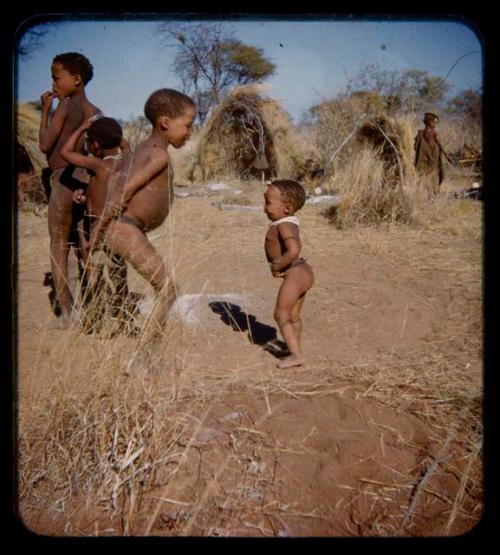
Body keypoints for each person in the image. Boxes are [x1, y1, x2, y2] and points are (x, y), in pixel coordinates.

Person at [93, 88, 197, 338]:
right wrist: (97, 233)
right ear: (165, 123)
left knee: (129, 286)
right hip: (124, 229)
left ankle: (126, 336)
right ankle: (147, 354)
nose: (190, 132)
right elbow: (121, 193)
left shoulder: (139, 150)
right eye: (188, 125)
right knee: (168, 289)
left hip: (122, 229)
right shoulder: (158, 155)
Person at [39, 52, 102, 328]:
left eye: (56, 77)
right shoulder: (94, 111)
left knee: (59, 245)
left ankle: (66, 313)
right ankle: (94, 304)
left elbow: (44, 145)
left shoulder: (64, 106)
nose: (53, 82)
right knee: (84, 244)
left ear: (76, 79)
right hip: (85, 179)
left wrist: (45, 110)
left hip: (63, 179)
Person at [60, 116, 130, 329]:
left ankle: (96, 320)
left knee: (94, 277)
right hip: (122, 231)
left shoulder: (97, 165)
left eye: (89, 142)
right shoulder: (126, 164)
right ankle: (121, 316)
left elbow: (66, 153)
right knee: (119, 274)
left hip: (98, 233)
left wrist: (81, 128)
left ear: (95, 145)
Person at [263, 180, 314, 368]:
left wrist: (277, 265)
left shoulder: (284, 226)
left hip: (296, 273)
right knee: (293, 315)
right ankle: (294, 348)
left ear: (287, 208)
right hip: (302, 272)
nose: (264, 208)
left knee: (280, 315)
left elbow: (293, 250)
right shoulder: (286, 223)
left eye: (268, 203)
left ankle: (296, 355)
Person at [414, 112, 452, 196]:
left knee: (424, 176)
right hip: (433, 160)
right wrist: (447, 155)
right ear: (429, 122)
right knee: (434, 177)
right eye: (435, 122)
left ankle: (425, 194)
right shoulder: (434, 133)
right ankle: (433, 195)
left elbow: (415, 148)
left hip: (424, 160)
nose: (436, 124)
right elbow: (440, 145)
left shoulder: (420, 133)